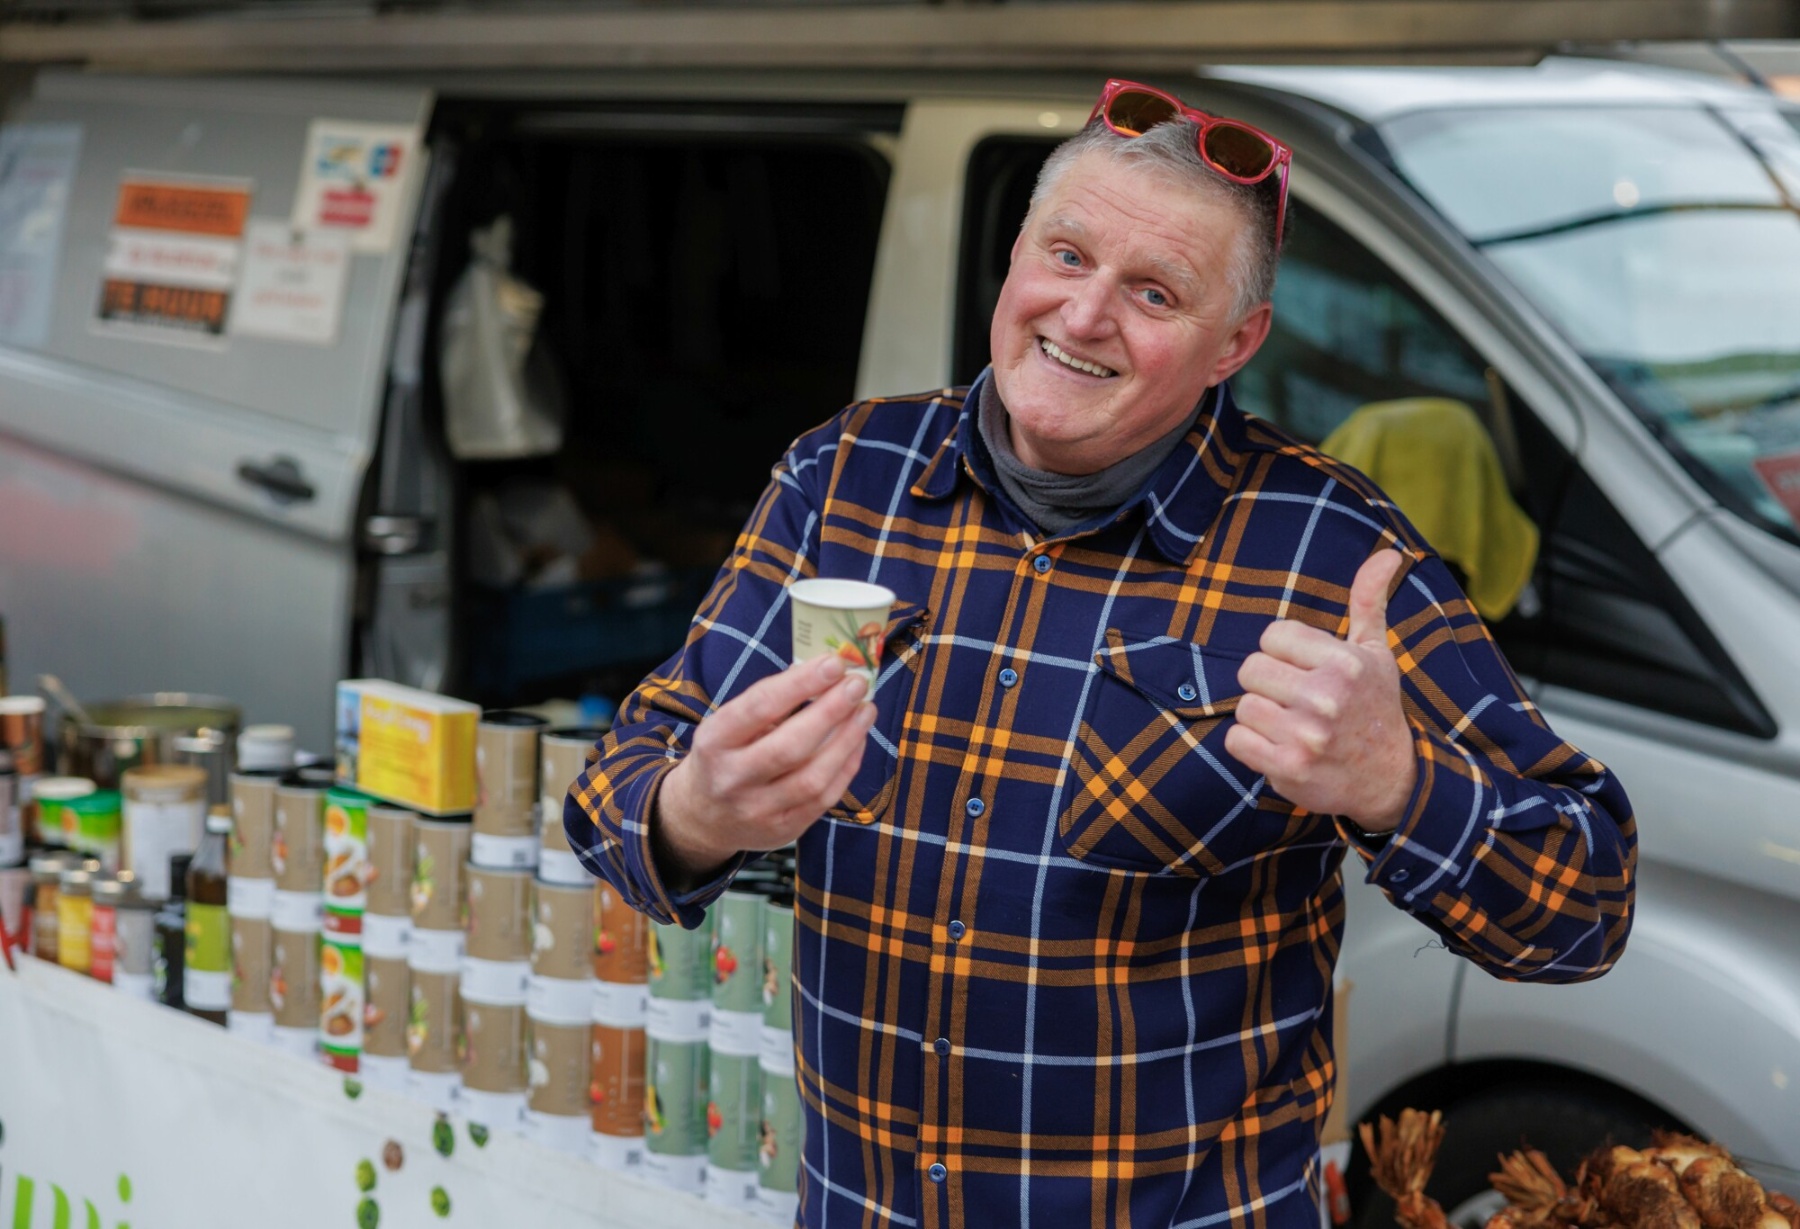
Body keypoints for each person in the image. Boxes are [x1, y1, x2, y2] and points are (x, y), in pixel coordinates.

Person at [567, 79, 1635, 1229]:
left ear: (1236, 343)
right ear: (1016, 256)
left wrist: (1399, 785)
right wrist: (696, 811)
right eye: (1066, 256)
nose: (1082, 316)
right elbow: (613, 794)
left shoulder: (1330, 552)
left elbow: (1586, 907)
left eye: (1154, 292)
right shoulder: (846, 476)